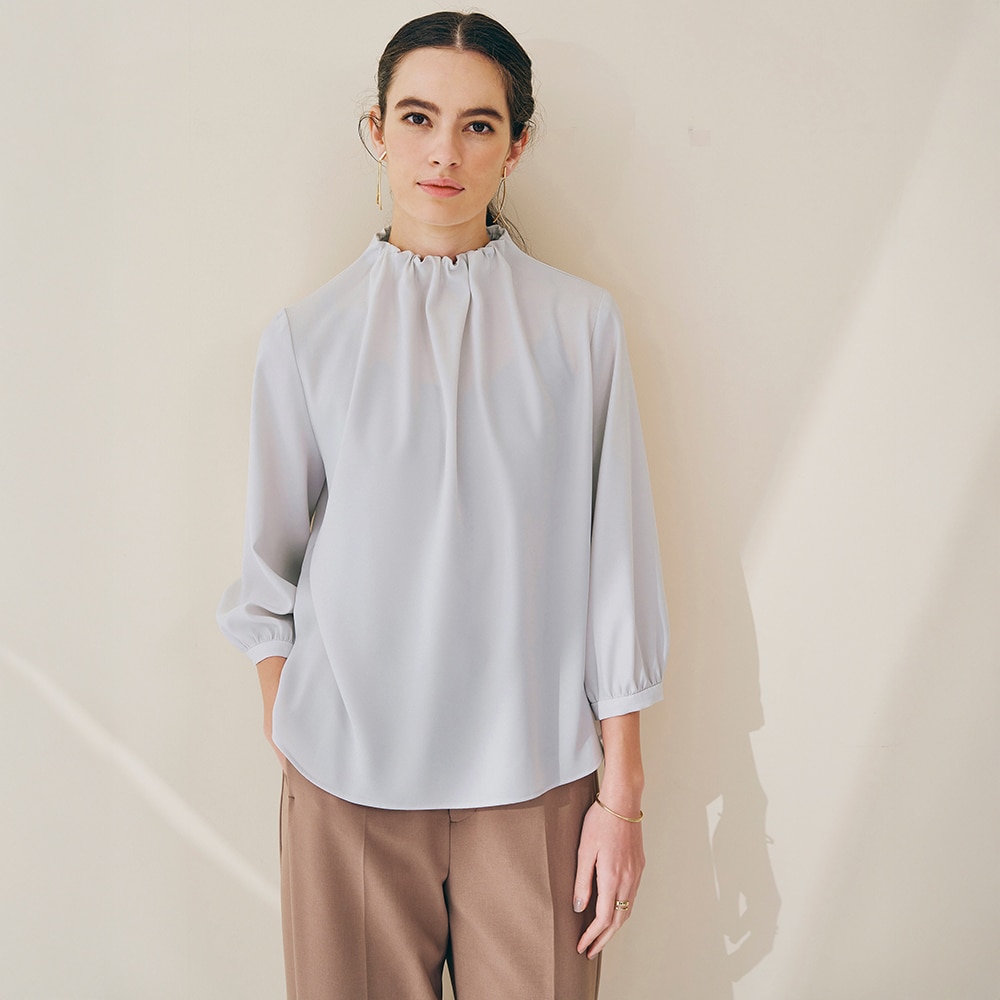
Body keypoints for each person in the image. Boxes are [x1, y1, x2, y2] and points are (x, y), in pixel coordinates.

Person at [218, 11, 668, 1000]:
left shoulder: (581, 327)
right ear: (377, 130)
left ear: (518, 144)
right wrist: (291, 724)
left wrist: (622, 796)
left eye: (478, 125)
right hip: (345, 784)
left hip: (537, 779)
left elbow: (617, 569)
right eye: (418, 118)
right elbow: (266, 574)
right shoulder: (307, 338)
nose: (443, 152)